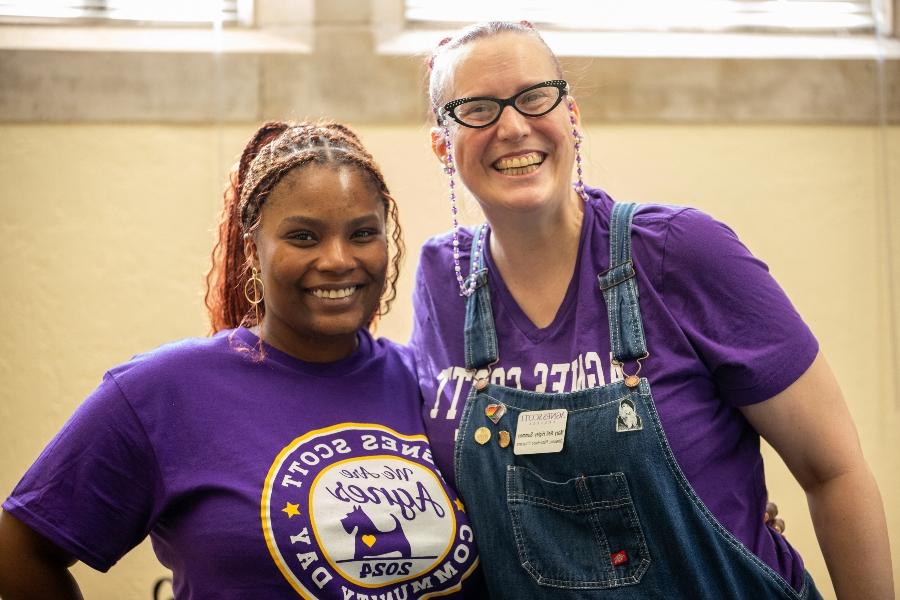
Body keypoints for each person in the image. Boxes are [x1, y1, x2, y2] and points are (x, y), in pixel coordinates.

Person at [410, 21, 894, 599]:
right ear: (443, 143)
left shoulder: (682, 251)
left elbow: (833, 471)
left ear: (572, 117)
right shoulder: (444, 278)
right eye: (477, 109)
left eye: (534, 97)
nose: (513, 126)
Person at [0, 121, 481, 599]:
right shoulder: (165, 391)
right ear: (253, 250)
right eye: (303, 237)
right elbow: (18, 548)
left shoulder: (427, 382)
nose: (338, 259)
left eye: (361, 234)